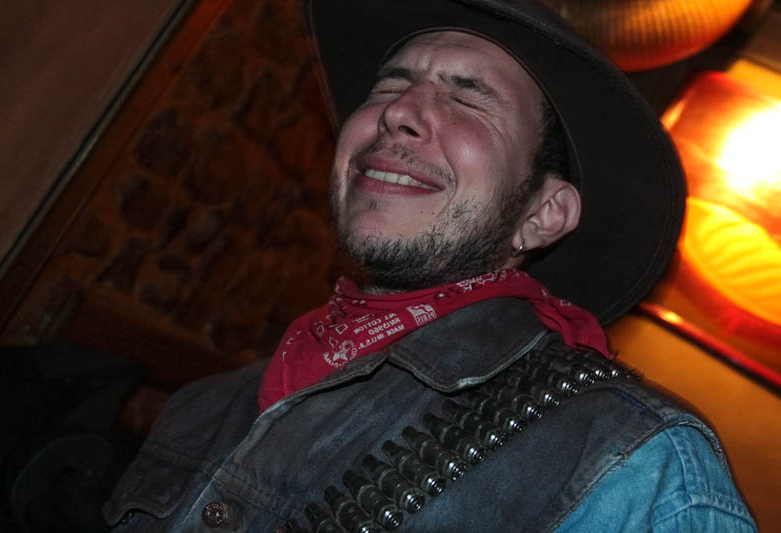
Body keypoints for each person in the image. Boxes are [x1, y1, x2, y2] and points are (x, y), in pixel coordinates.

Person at [105, 0, 757, 531]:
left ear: (543, 213)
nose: (396, 111)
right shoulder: (205, 406)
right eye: (390, 85)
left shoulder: (633, 465)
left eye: (469, 99)